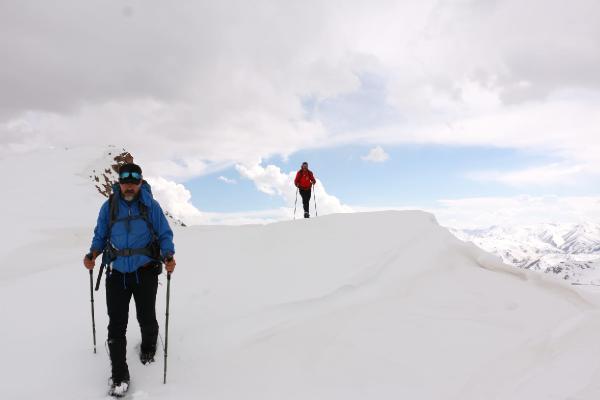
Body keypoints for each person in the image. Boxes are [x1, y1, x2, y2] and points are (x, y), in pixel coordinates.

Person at [83, 163, 176, 396]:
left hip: (144, 272)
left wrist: (168, 256)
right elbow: (100, 234)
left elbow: (164, 234)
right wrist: (93, 254)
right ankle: (119, 375)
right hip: (116, 274)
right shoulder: (109, 207)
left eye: (134, 181)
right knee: (116, 324)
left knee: (146, 316)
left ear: (140, 182)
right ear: (120, 182)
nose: (130, 186)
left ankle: (148, 347)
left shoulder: (150, 206)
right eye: (126, 181)